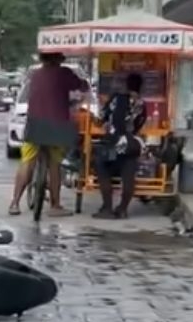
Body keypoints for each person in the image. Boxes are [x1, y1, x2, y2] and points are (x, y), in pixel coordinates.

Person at [8, 52, 89, 217]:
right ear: (58, 59)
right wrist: (83, 82)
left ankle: (15, 203)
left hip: (34, 123)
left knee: (27, 162)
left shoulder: (35, 74)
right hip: (57, 125)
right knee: (55, 164)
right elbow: (82, 86)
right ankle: (55, 205)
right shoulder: (64, 72)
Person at [93, 72, 149, 219]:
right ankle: (123, 209)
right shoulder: (142, 104)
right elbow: (139, 124)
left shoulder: (116, 98)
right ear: (140, 87)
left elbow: (101, 119)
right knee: (128, 174)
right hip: (132, 143)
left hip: (113, 140)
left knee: (101, 166)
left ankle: (107, 208)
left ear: (126, 84)